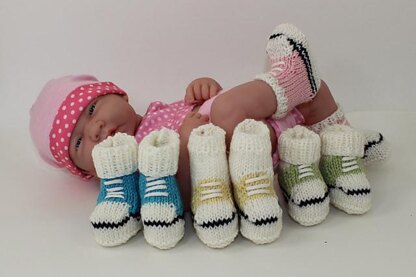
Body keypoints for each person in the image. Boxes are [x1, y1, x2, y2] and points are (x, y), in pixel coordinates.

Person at [30, 23, 388, 248]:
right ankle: (291, 77)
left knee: (310, 92)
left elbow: (206, 107)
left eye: (92, 110)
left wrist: (205, 90)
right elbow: (181, 190)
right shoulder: (137, 167)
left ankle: (336, 136)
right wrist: (197, 131)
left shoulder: (157, 110)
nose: (94, 129)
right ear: (90, 174)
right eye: (79, 142)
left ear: (120, 95)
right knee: (226, 111)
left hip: (263, 129)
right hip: (237, 161)